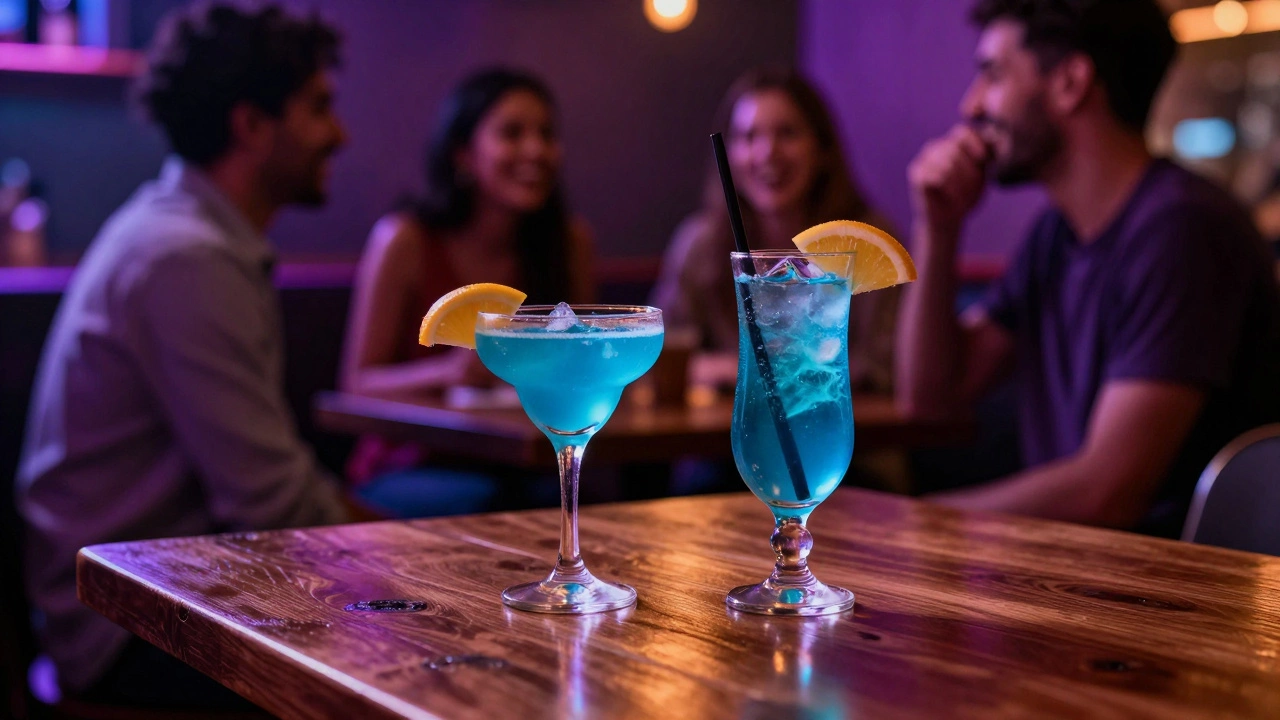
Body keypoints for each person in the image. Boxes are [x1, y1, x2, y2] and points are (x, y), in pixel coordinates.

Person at [17, 3, 354, 708]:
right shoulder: (186, 258)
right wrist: (418, 553)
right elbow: (275, 506)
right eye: (319, 108)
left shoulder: (187, 234)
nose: (339, 134)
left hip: (162, 588)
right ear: (252, 125)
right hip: (119, 626)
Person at [898, 0, 1280, 536]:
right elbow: (931, 401)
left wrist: (916, 523)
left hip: (1165, 598)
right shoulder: (1056, 235)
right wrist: (938, 229)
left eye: (992, 74)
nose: (972, 105)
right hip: (1073, 571)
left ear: (1071, 83)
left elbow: (1109, 493)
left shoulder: (1184, 230)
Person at [340, 68, 593, 513]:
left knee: (585, 502)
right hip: (411, 464)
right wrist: (450, 372)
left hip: (526, 462)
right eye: (512, 134)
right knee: (493, 503)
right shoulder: (405, 240)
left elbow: (585, 365)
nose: (535, 149)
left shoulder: (569, 244)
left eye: (546, 134)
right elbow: (357, 383)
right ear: (463, 155)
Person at [651, 68, 898, 394]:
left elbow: (887, 366)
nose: (768, 152)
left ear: (822, 149)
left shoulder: (864, 242)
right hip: (724, 438)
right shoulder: (701, 244)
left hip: (850, 437)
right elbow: (663, 355)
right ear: (731, 156)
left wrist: (737, 367)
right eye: (750, 137)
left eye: (787, 133)